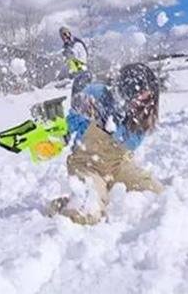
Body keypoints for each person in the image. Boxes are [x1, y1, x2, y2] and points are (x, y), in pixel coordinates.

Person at [49, 63, 163, 225]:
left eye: (147, 95)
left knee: (157, 193)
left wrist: (112, 124)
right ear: (126, 89)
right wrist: (80, 111)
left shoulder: (144, 112)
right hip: (87, 164)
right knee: (85, 215)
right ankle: (64, 205)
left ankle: (102, 192)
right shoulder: (99, 94)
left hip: (119, 165)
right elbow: (73, 121)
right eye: (139, 95)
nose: (143, 101)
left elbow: (131, 143)